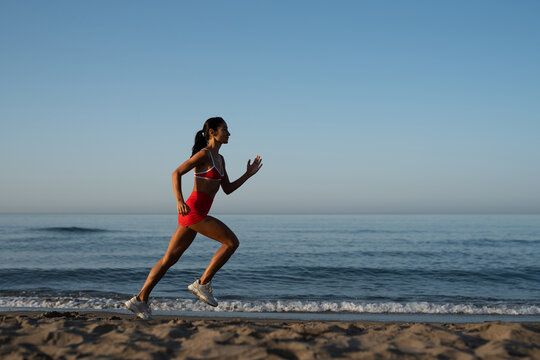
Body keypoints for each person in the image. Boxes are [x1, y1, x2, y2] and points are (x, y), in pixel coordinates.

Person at [125, 117, 262, 319]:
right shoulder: (204, 154)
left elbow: (228, 189)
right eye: (225, 129)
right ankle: (203, 283)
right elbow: (176, 173)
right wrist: (179, 200)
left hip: (196, 214)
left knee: (168, 260)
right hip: (193, 211)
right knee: (231, 242)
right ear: (212, 132)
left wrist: (247, 174)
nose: (229, 133)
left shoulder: (220, 159)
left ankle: (139, 299)